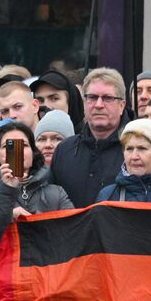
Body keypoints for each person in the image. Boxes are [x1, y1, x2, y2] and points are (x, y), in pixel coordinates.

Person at [0, 121, 72, 246]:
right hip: (7, 264)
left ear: (33, 153)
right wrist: (7, 207)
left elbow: (71, 233)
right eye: (9, 146)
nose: (17, 151)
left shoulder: (56, 193)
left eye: (23, 145)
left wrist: (37, 220)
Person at [51, 69, 128, 207]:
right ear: (84, 103)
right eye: (92, 97)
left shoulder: (134, 150)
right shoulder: (64, 150)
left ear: (122, 105)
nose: (98, 105)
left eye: (107, 98)